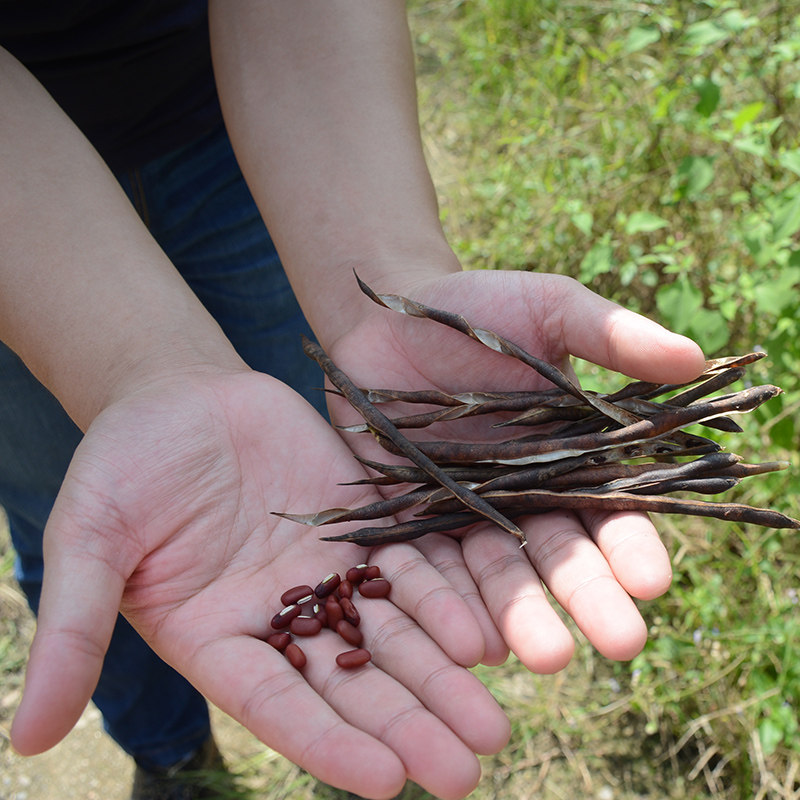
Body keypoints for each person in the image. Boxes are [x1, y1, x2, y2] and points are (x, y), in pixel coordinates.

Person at [0, 3, 706, 799]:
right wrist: (138, 373)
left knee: (307, 432)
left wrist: (387, 283)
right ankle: (169, 756)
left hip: (237, 116)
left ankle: (314, 742)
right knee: (97, 524)